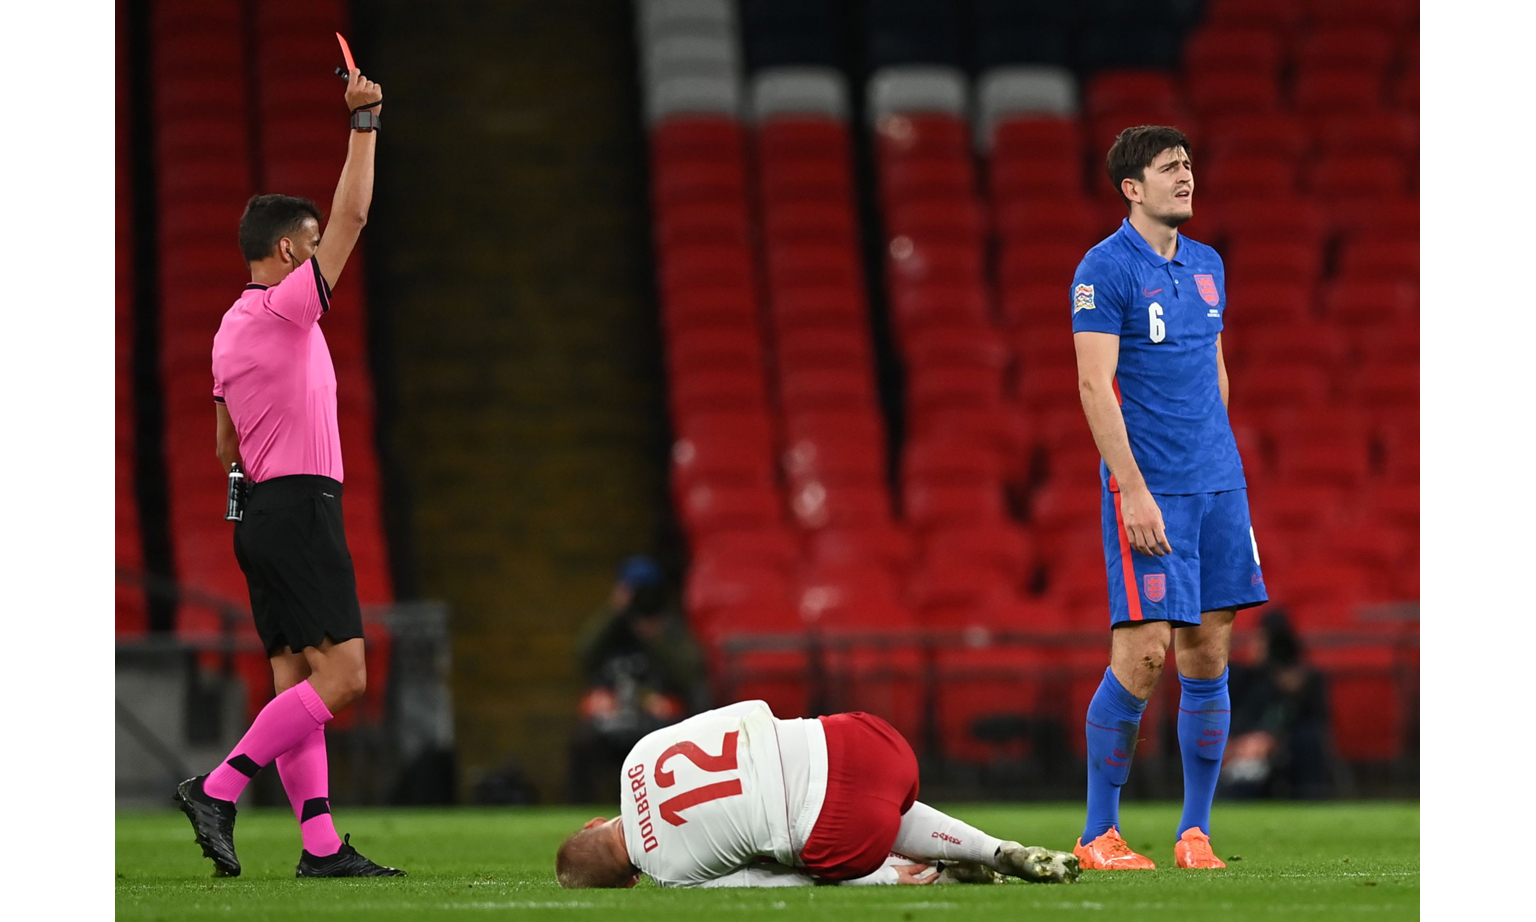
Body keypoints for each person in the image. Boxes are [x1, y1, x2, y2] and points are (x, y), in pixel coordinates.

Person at [172, 68, 402, 879]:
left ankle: (320, 847)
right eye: (308, 247)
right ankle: (220, 787)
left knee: (296, 684)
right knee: (343, 679)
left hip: (259, 513)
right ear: (286, 251)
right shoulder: (285, 307)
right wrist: (364, 121)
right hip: (301, 508)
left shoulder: (227, 332)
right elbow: (356, 213)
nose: (318, 256)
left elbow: (223, 445)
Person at [1068, 125, 1268, 870]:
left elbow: (1215, 371)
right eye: (1168, 167)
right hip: (1151, 490)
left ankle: (1195, 834)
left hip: (1219, 485)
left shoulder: (1209, 265)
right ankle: (1097, 835)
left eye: (1188, 163)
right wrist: (1132, 488)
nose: (1186, 175)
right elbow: (1094, 386)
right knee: (1144, 655)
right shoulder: (1102, 270)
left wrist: (1221, 464)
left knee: (1208, 654)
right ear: (1132, 187)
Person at [554, 699, 1081, 888]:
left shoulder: (668, 873)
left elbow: (763, 885)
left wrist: (876, 879)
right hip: (865, 742)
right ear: (592, 824)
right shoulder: (638, 757)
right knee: (859, 794)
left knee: (793, 848)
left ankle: (914, 877)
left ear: (625, 885)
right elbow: (747, 711)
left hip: (849, 834)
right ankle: (994, 850)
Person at [568, 556, 708, 803]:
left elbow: (691, 672)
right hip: (614, 715)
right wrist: (616, 612)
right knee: (583, 740)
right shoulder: (611, 629)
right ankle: (580, 809)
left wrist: (657, 635)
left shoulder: (670, 630)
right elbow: (584, 655)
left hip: (658, 719)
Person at [1223, 609, 1334, 799]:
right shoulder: (1246, 677)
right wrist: (1237, 740)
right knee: (1242, 772)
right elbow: (1239, 713)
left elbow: (1311, 717)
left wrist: (1272, 737)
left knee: (1306, 740)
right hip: (1247, 745)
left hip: (1287, 745)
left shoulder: (1304, 679)